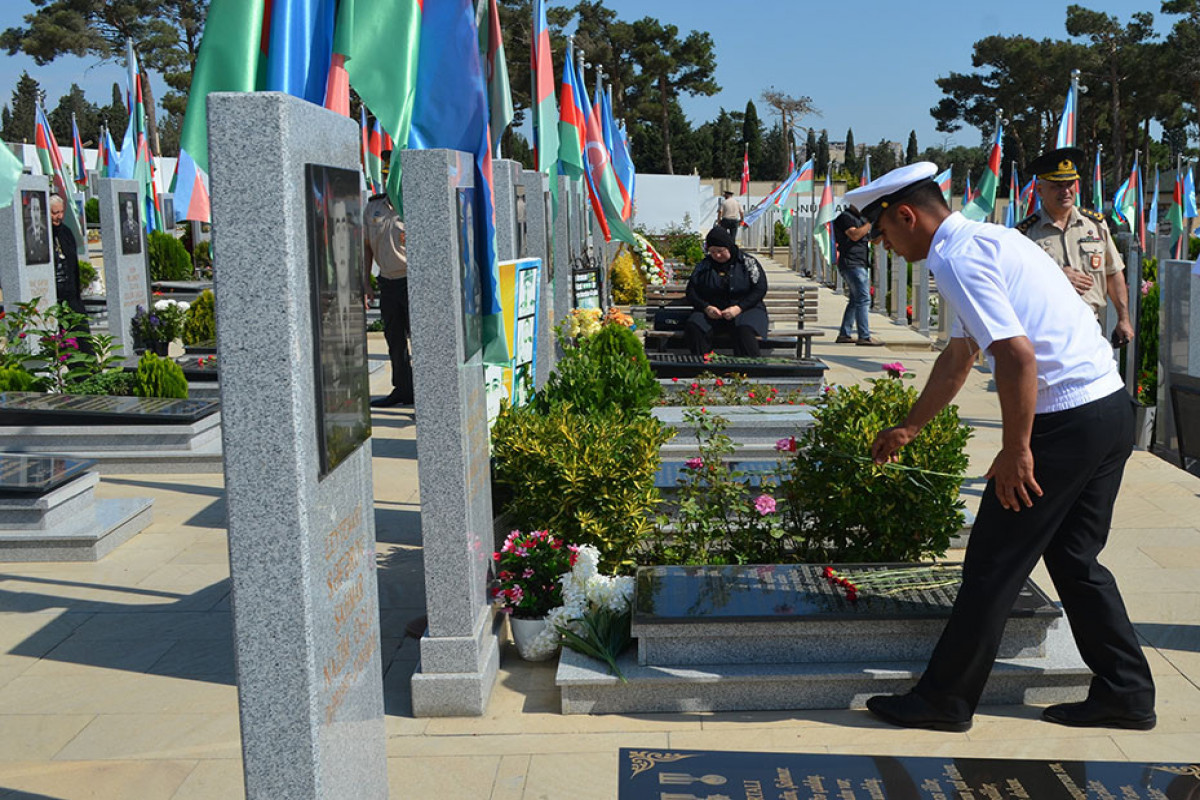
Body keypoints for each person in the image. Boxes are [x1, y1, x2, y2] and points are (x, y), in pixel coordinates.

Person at [846, 162, 1154, 733]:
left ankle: (942, 701)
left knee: (992, 562)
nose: (885, 245)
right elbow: (960, 353)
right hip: (1108, 411)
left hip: (1066, 421)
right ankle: (1126, 693)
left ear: (907, 215)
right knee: (1075, 559)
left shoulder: (958, 258)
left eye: (885, 233)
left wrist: (1018, 449)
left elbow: (1016, 356)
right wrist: (911, 425)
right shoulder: (989, 238)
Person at [1017, 147, 1133, 347]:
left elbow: (1113, 273)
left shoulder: (1095, 225)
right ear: (1040, 190)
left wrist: (1123, 319)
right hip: (1044, 332)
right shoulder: (1024, 233)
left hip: (1089, 327)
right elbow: (1016, 285)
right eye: (1056, 185)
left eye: (1070, 184)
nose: (1065, 191)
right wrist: (1055, 276)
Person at [683, 226, 768, 357]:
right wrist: (706, 307)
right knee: (695, 325)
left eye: (720, 251)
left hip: (746, 309)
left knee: (743, 329)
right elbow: (691, 291)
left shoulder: (748, 262)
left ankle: (749, 369)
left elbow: (760, 288)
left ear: (729, 247)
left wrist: (739, 308)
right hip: (714, 311)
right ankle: (703, 366)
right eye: (712, 252)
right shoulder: (704, 266)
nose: (717, 255)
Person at [364, 183, 413, 408]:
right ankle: (402, 389)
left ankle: (425, 391)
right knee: (394, 340)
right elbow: (367, 246)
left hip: (411, 282)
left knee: (420, 341)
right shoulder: (374, 207)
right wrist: (366, 280)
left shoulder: (411, 204)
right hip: (388, 283)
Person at [833, 205, 883, 346]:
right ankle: (864, 336)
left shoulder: (861, 219)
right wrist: (869, 224)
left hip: (860, 263)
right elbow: (854, 235)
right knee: (864, 298)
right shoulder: (845, 217)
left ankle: (844, 334)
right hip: (851, 263)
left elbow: (874, 240)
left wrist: (881, 229)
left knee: (855, 300)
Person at [49, 194, 93, 349]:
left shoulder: (66, 233)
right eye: (54, 213)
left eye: (61, 212)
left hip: (72, 296)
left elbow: (73, 266)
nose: (59, 217)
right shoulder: (45, 235)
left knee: (83, 340)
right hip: (55, 299)